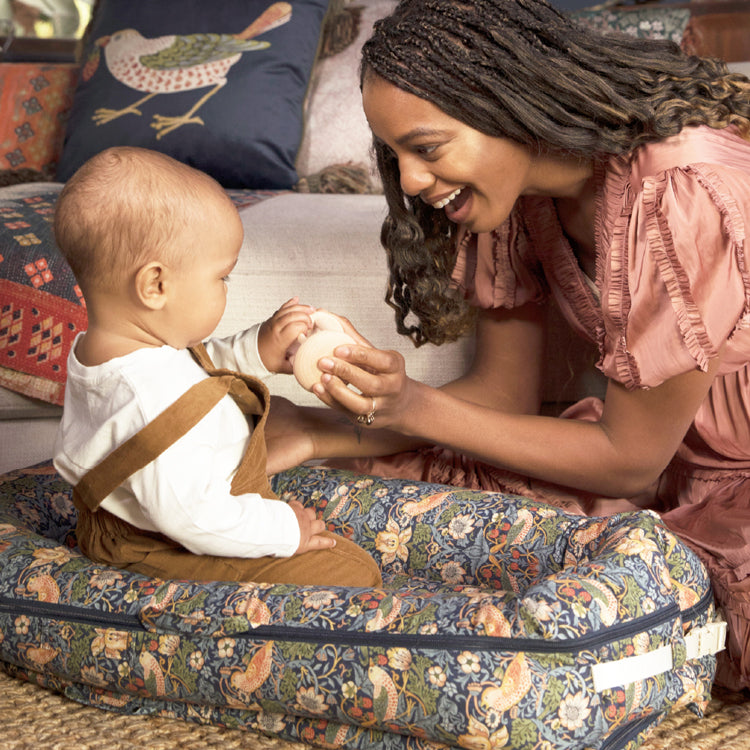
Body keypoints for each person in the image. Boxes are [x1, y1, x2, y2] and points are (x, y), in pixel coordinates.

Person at [263, 0, 750, 687]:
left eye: (426, 149)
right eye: (394, 155)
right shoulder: (510, 199)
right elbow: (501, 398)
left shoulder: (675, 193)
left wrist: (406, 407)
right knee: (407, 502)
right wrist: (319, 430)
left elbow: (629, 461)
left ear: (509, 105)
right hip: (667, 476)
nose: (409, 183)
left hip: (713, 482)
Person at [52, 145, 381, 588]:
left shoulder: (125, 350)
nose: (226, 287)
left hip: (180, 499)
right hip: (161, 538)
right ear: (155, 285)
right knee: (352, 573)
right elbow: (192, 519)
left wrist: (258, 350)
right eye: (221, 277)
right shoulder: (148, 402)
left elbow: (191, 371)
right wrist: (285, 529)